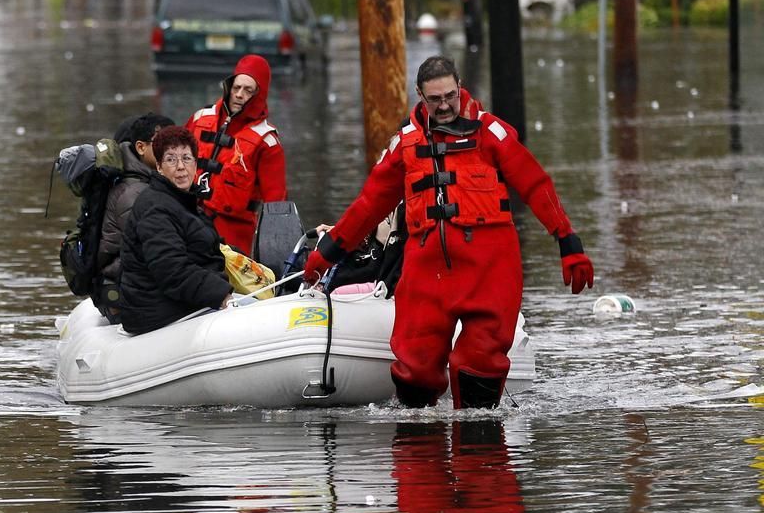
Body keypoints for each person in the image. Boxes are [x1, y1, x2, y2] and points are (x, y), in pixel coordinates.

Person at [306, 55, 595, 409]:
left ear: (459, 87)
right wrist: (327, 253)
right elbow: (368, 206)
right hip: (428, 274)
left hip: (489, 271)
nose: (444, 106)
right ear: (420, 96)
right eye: (435, 99)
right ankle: (418, 450)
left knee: (480, 367)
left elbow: (536, 185)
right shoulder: (405, 145)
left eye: (450, 96)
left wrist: (568, 242)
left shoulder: (492, 134)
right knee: (415, 369)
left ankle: (479, 453)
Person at [118, 125, 233, 335]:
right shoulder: (155, 208)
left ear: (196, 164)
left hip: (179, 303)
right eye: (171, 159)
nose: (180, 167)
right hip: (157, 312)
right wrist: (222, 294)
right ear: (159, 167)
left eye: (187, 159)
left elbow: (204, 247)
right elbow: (171, 271)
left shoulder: (184, 203)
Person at [186, 54, 287, 256]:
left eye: (248, 90)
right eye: (236, 88)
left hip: (234, 234)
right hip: (189, 219)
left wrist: (274, 248)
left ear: (259, 95)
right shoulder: (200, 118)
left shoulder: (266, 142)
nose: (239, 95)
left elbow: (276, 203)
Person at [93, 112, 174, 323]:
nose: (170, 151)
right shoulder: (135, 194)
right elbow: (152, 252)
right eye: (163, 144)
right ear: (140, 147)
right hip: (126, 293)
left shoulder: (148, 184)